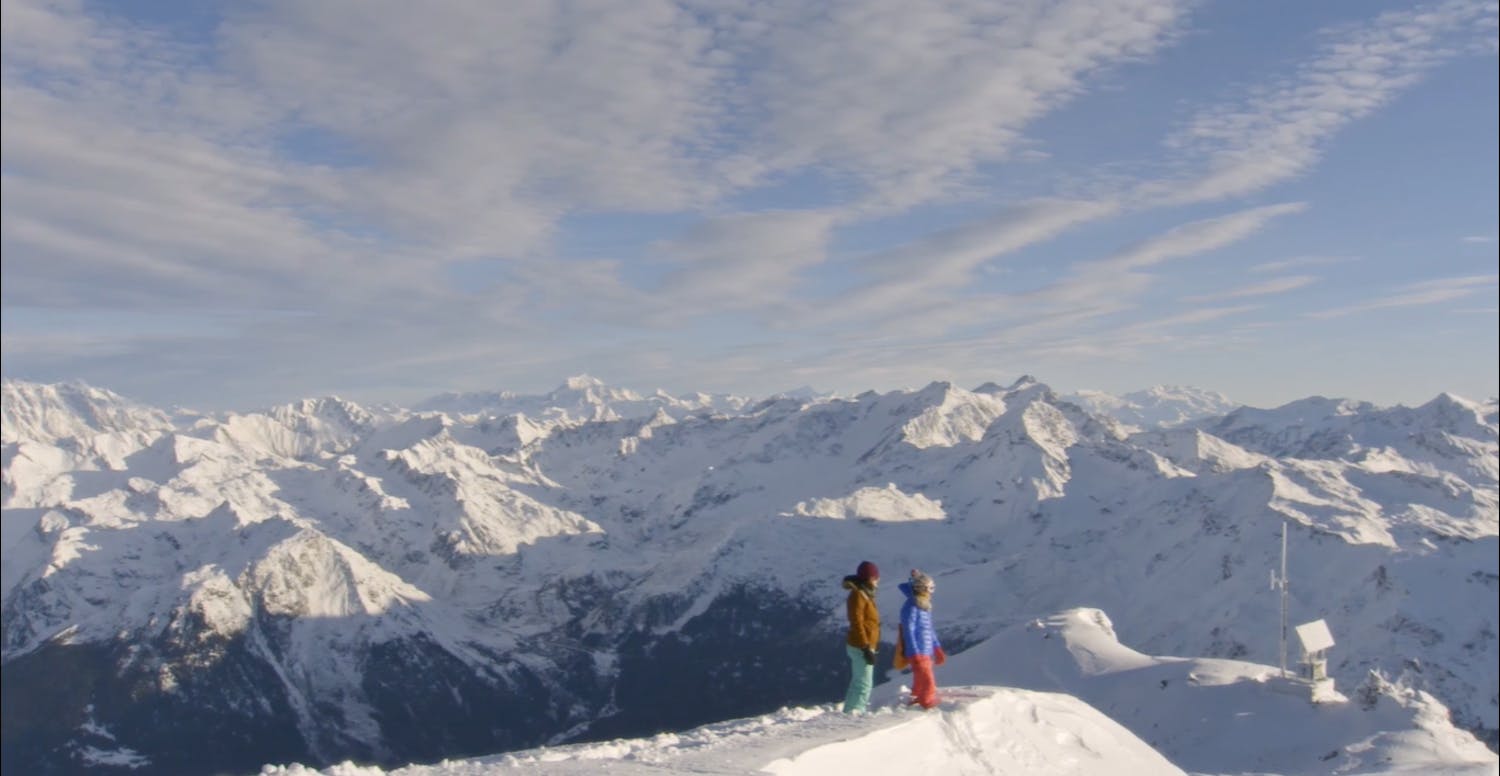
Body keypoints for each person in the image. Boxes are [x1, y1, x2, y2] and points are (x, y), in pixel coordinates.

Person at [899, 569, 946, 709]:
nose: (931, 592)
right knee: (927, 678)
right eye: (930, 588)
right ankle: (927, 701)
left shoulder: (924, 606)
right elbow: (909, 630)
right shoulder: (912, 607)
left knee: (920, 677)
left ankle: (917, 696)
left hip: (926, 649)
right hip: (918, 650)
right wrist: (915, 652)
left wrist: (936, 648)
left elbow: (929, 629)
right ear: (922, 589)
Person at [841, 560, 881, 713]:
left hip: (863, 644)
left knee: (858, 682)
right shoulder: (859, 595)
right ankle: (856, 712)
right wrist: (865, 647)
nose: (878, 580)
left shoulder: (865, 594)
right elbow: (856, 622)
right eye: (876, 577)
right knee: (864, 684)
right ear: (870, 578)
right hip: (860, 645)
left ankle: (850, 711)